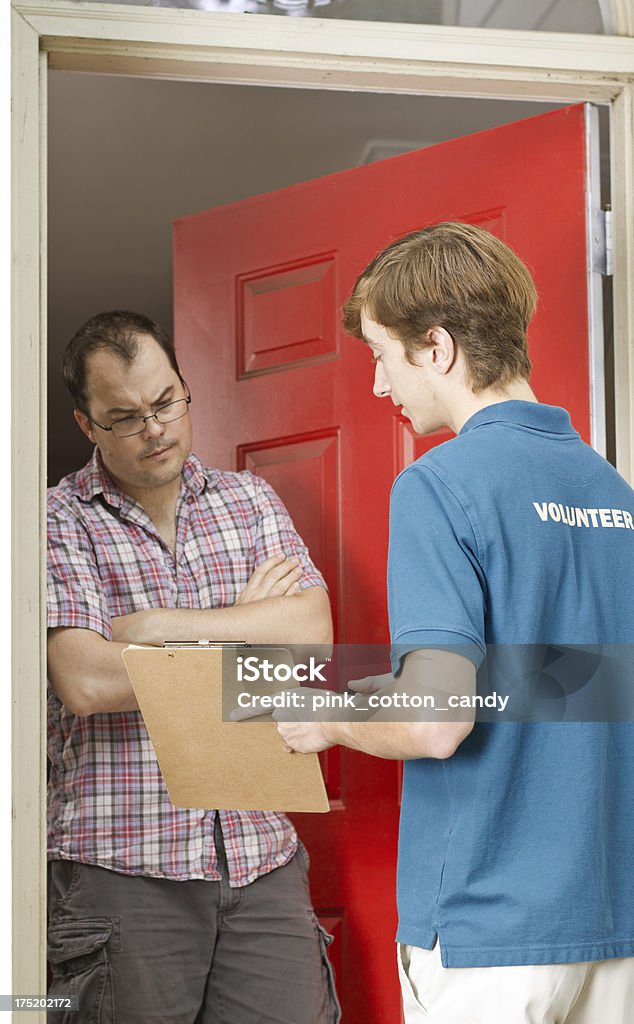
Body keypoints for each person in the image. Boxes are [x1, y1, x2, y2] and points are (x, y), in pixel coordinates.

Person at [273, 223, 634, 1023]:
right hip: (613, 923)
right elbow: (567, 680)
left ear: (435, 347)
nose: (377, 386)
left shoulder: (437, 485)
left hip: (486, 934)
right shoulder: (616, 494)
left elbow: (439, 724)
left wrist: (327, 716)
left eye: (380, 354)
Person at [46, 310, 339, 1024]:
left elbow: (312, 640)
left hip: (260, 857)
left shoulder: (251, 501)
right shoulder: (54, 520)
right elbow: (86, 682)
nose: (155, 428)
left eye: (165, 401)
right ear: (87, 424)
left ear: (184, 389)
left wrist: (152, 630)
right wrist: (247, 628)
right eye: (125, 416)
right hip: (121, 875)